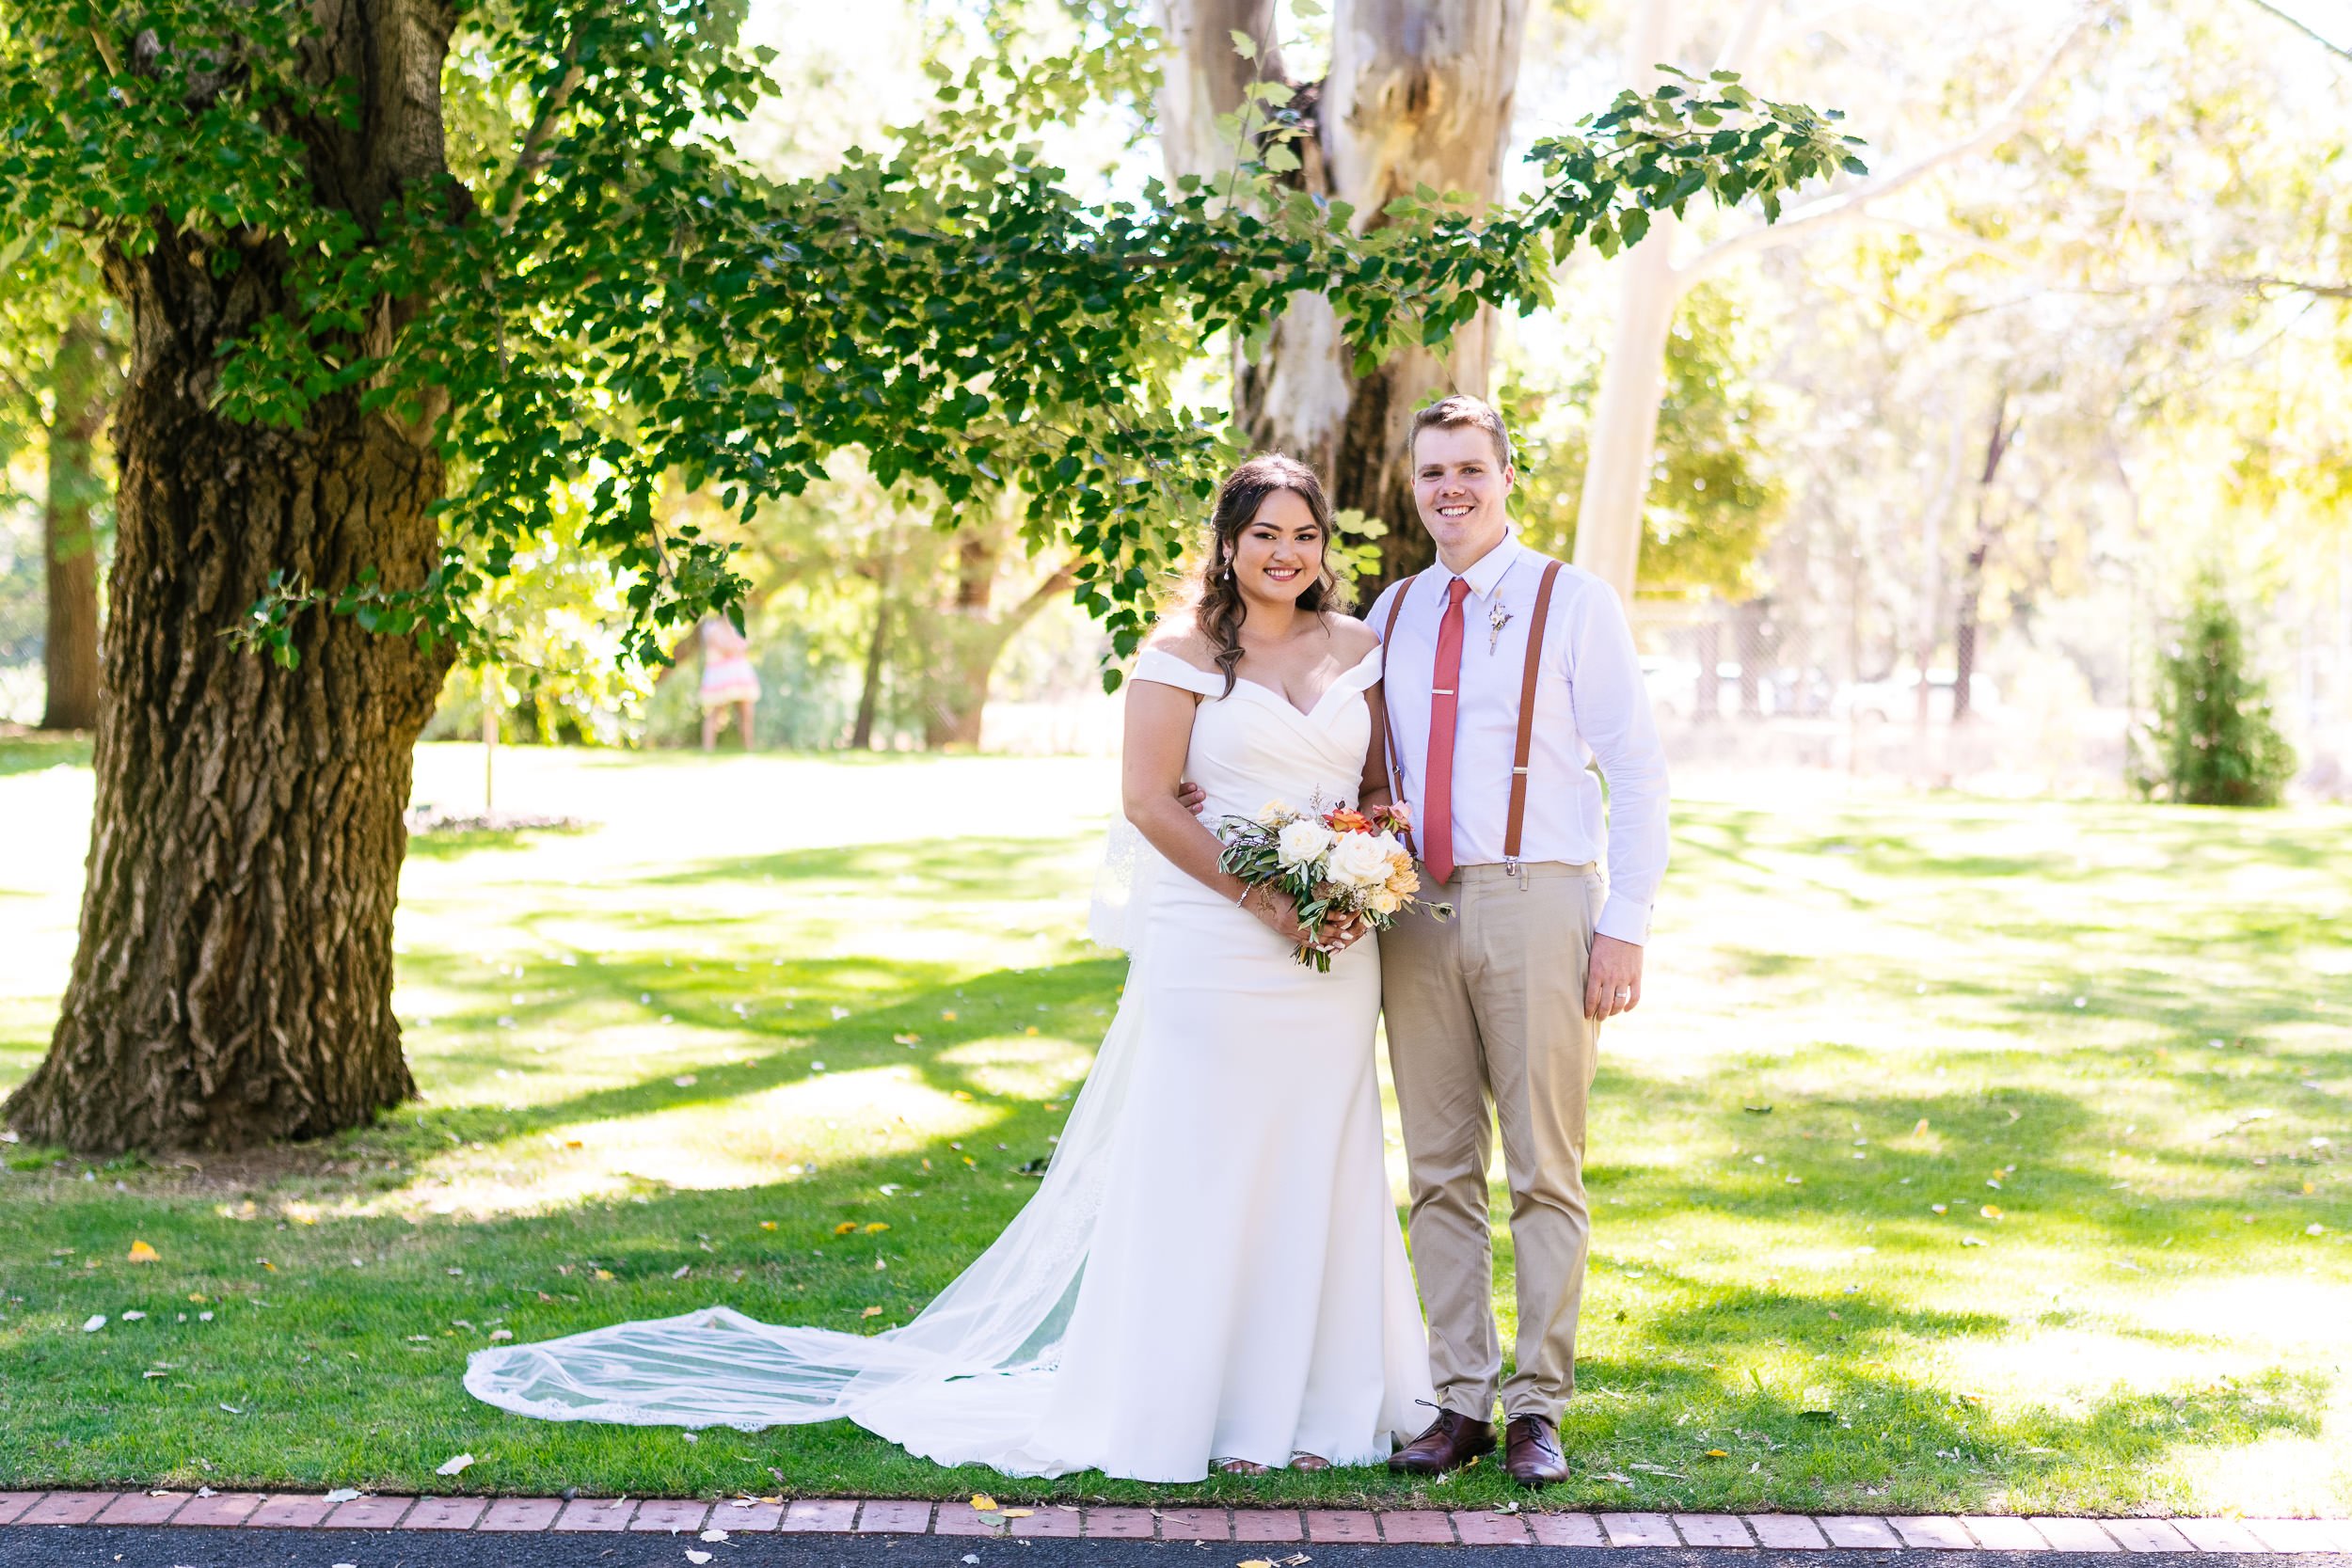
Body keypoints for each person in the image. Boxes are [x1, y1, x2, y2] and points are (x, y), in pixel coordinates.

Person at [463, 453, 1434, 1481]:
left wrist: (1357, 869)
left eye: (1304, 535)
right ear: (1227, 546)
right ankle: (1199, 1403)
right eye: (1264, 535)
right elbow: (1148, 801)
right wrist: (1262, 894)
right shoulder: (1179, 652)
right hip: (1218, 942)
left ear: (1325, 545)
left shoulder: (1357, 646)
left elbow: (1370, 783)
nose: (1286, 554)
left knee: (1321, 1158)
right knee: (1207, 1162)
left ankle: (1323, 1399)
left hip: (1331, 949)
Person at [1368, 394, 1670, 1486]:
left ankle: (1538, 1401)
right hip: (1412, 905)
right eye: (1432, 471)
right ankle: (1459, 1399)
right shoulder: (1391, 608)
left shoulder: (1573, 600)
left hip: (1540, 897)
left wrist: (1623, 923)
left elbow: (1634, 768)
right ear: (1414, 485)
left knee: (1546, 1164)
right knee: (1440, 1166)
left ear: (1506, 478)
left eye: (1469, 469)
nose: (1450, 487)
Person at [698, 616, 761, 751]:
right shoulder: (711, 628)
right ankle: (708, 748)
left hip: (740, 672)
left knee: (746, 713)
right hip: (721, 673)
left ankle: (749, 748)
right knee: (715, 712)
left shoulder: (738, 625)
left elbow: (743, 647)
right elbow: (727, 648)